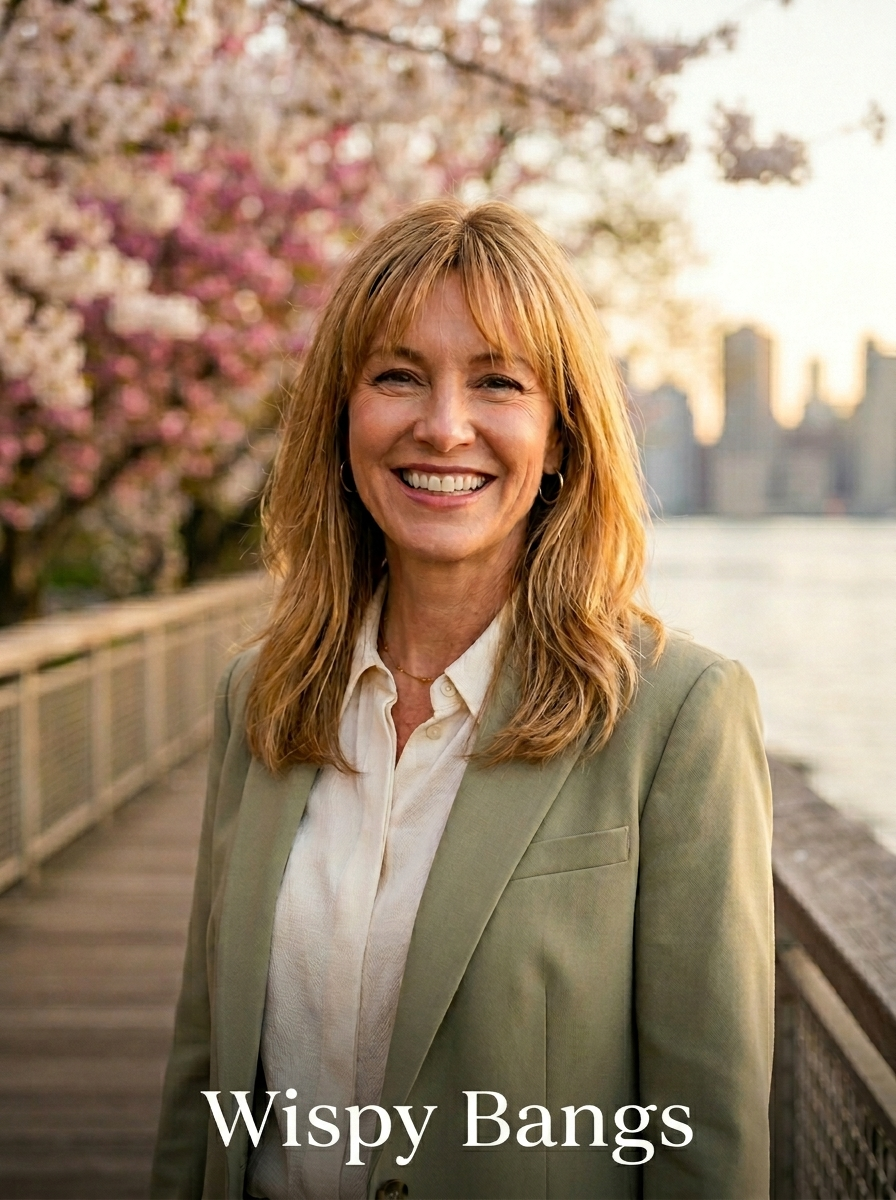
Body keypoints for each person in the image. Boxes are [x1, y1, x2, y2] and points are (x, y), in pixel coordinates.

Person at [150, 199, 773, 1200]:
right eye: (397, 375)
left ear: (561, 436)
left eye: (496, 382)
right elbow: (204, 1072)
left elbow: (706, 1136)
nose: (443, 426)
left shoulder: (676, 715)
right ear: (341, 419)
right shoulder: (259, 698)